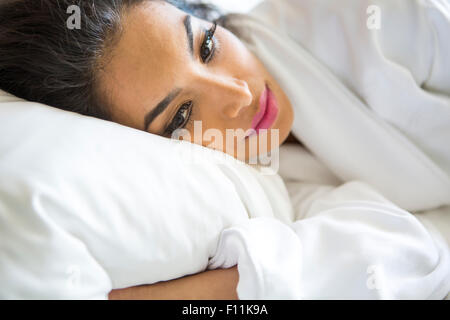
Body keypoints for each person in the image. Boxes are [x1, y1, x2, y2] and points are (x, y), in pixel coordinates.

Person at [1, 0, 449, 299]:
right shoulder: (266, 180)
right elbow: (412, 248)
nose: (237, 95)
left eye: (207, 46)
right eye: (180, 116)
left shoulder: (370, 21)